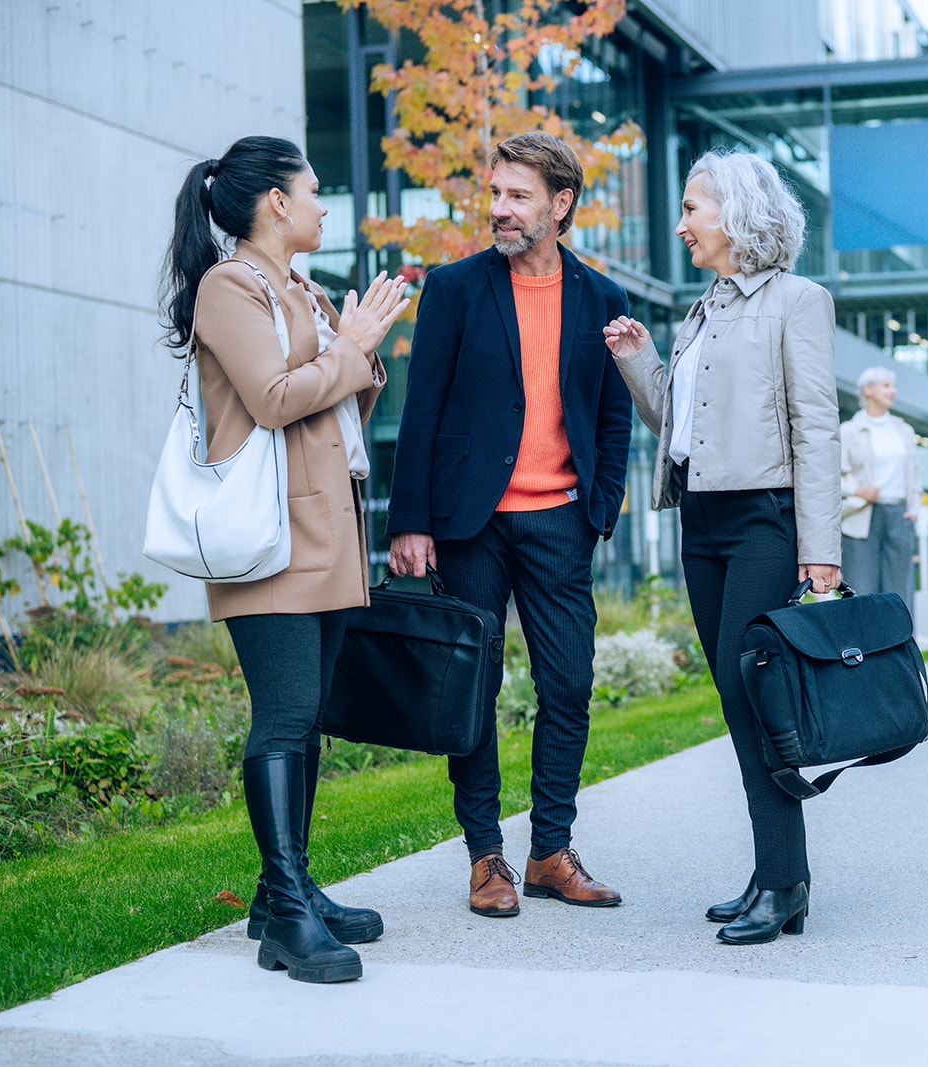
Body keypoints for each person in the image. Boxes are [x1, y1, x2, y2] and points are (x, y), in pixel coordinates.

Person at [160, 136, 410, 983]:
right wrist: (349, 348)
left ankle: (288, 888)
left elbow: (337, 399)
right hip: (271, 541)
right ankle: (286, 917)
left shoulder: (293, 285)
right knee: (285, 716)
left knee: (308, 722)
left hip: (326, 531)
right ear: (274, 201)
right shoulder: (230, 286)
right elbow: (272, 399)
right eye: (311, 189)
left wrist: (364, 349)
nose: (322, 203)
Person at [386, 132, 632, 919]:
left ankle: (551, 850)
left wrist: (601, 508)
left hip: (562, 518)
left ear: (561, 205)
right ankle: (486, 854)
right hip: (469, 523)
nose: (499, 208)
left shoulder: (602, 298)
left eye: (518, 196)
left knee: (570, 683)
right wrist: (410, 520)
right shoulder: (455, 287)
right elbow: (419, 408)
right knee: (474, 686)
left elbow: (616, 414)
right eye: (495, 193)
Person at [604, 149, 842, 945]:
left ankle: (784, 878)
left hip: (764, 520)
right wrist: (639, 359)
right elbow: (678, 424)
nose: (681, 224)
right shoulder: (701, 311)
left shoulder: (797, 301)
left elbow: (816, 427)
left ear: (736, 215)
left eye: (692, 208)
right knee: (736, 702)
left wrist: (823, 549)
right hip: (700, 522)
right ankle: (775, 872)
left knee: (756, 698)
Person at [840, 366, 921, 613]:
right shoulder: (848, 431)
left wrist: (914, 509)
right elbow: (834, 475)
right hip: (862, 517)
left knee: (900, 594)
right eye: (886, 386)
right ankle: (862, 651)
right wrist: (859, 490)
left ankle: (901, 651)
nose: (893, 391)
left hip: (898, 514)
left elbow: (914, 474)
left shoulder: (903, 430)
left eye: (893, 386)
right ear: (868, 390)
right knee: (860, 592)